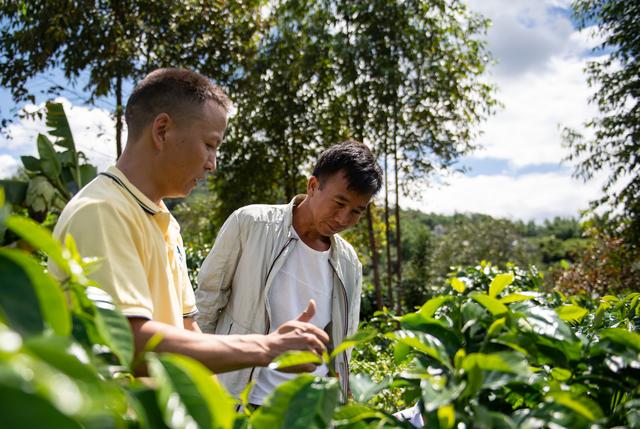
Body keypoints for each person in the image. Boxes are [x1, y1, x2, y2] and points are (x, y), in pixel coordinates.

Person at [49, 68, 329, 375]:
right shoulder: (103, 211)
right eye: (210, 145)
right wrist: (264, 347)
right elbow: (126, 343)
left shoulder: (164, 221)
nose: (212, 164)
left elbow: (186, 330)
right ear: (162, 130)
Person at [195, 140, 383, 403]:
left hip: (305, 410)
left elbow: (343, 343)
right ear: (313, 186)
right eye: (339, 203)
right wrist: (194, 377)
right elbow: (206, 302)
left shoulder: (349, 263)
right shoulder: (250, 224)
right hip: (241, 399)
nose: (343, 219)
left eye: (356, 212)